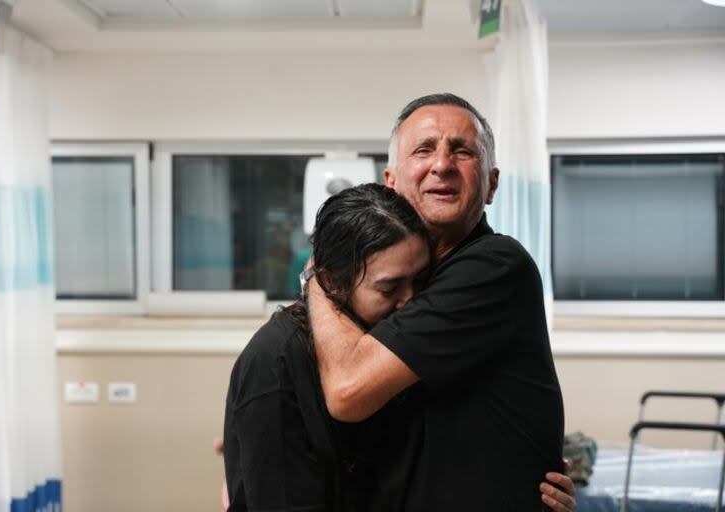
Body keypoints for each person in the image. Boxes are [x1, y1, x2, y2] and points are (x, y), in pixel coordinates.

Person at [223, 183, 575, 511]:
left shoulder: (388, 343)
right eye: (389, 289)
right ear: (333, 282)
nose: (410, 300)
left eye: (420, 281)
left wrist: (521, 479)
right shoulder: (277, 360)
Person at [305, 93, 572, 511]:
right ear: (390, 183)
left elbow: (347, 391)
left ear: (492, 185)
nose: (442, 164)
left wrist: (316, 279)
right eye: (424, 149)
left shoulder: (494, 267)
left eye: (462, 151)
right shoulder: (400, 283)